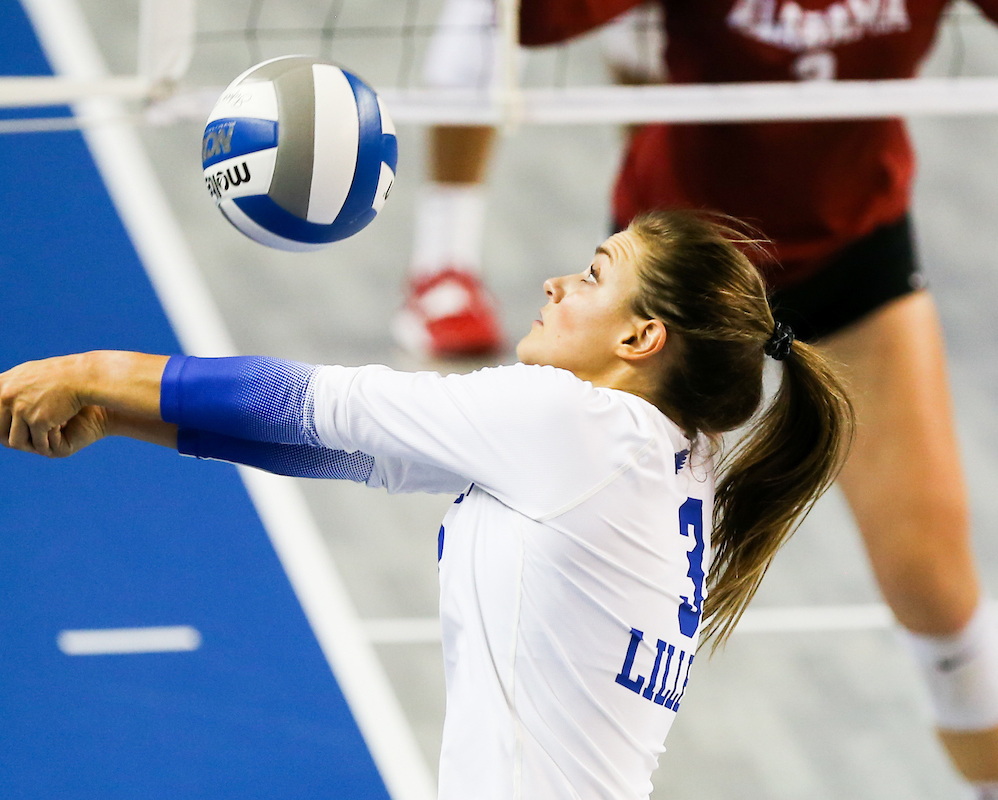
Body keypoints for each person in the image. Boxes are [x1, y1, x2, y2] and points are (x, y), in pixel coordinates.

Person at [0, 210, 851, 799]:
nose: (556, 284)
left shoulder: (575, 426)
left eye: (592, 274)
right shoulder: (670, 455)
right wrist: (117, 416)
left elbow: (306, 404)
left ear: (642, 336)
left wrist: (91, 370)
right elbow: (341, 447)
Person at [401, 0, 998, 794]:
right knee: (581, 586)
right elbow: (527, 21)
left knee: (936, 596)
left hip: (855, 258)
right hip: (680, 288)